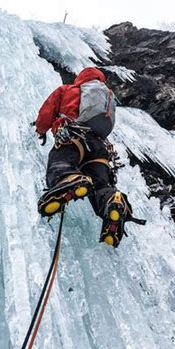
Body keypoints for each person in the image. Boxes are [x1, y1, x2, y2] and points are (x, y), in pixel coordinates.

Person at [34, 67, 145, 247]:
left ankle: (68, 178)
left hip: (73, 137)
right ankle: (111, 200)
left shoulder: (69, 90)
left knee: (60, 162)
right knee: (100, 184)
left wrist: (40, 130)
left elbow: (47, 112)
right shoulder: (106, 96)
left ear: (81, 78)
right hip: (100, 149)